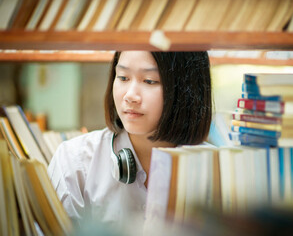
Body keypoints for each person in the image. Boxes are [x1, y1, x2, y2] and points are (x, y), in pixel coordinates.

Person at [47, 51, 212, 231]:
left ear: (187, 89)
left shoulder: (216, 169)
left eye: (149, 81)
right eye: (123, 77)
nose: (130, 96)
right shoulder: (74, 162)